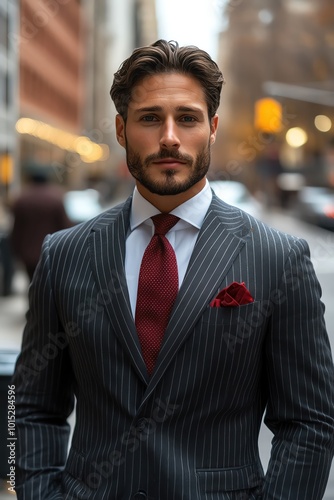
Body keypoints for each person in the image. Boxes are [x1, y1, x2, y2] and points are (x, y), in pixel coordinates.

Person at [13, 40, 334, 499]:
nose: (169, 136)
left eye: (187, 118)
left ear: (213, 127)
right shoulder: (64, 253)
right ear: (121, 130)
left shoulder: (279, 259)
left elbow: (311, 421)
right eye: (149, 118)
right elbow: (23, 405)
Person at [10, 171, 72, 281]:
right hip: (52, 250)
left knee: (32, 281)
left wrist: (15, 250)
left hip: (28, 253)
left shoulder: (22, 200)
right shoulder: (55, 199)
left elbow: (17, 229)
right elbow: (64, 226)